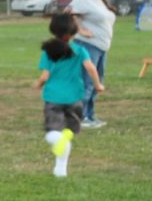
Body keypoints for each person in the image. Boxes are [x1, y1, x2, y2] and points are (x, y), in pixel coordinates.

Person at [35, 13, 105, 178]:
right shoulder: (80, 50)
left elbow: (45, 76)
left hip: (53, 98)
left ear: (53, 30)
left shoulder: (49, 51)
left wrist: (38, 84)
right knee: (68, 131)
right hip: (75, 98)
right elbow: (91, 68)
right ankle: (60, 169)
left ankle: (58, 142)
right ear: (74, 31)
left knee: (53, 132)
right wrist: (97, 85)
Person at [68, 0, 117, 129]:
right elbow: (69, 14)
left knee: (97, 82)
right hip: (87, 46)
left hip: (100, 47)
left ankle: (89, 115)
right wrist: (80, 30)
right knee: (87, 82)